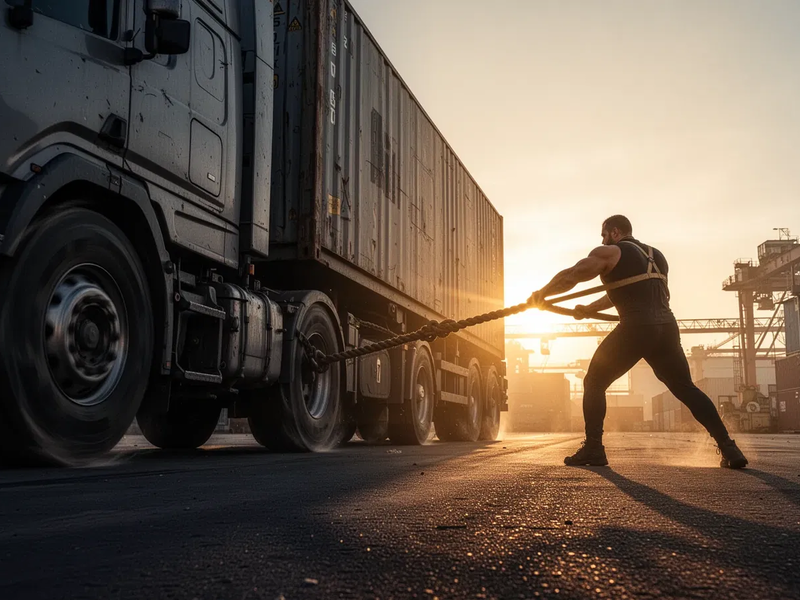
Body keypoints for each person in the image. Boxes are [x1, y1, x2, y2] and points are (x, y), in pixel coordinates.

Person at [528, 215, 748, 469]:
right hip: (666, 328)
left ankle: (593, 449)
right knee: (686, 388)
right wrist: (589, 309)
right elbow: (626, 289)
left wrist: (541, 294)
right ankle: (729, 447)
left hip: (636, 327)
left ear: (615, 232)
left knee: (594, 381)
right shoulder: (657, 257)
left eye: (604, 235)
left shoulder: (610, 252)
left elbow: (574, 275)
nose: (602, 240)